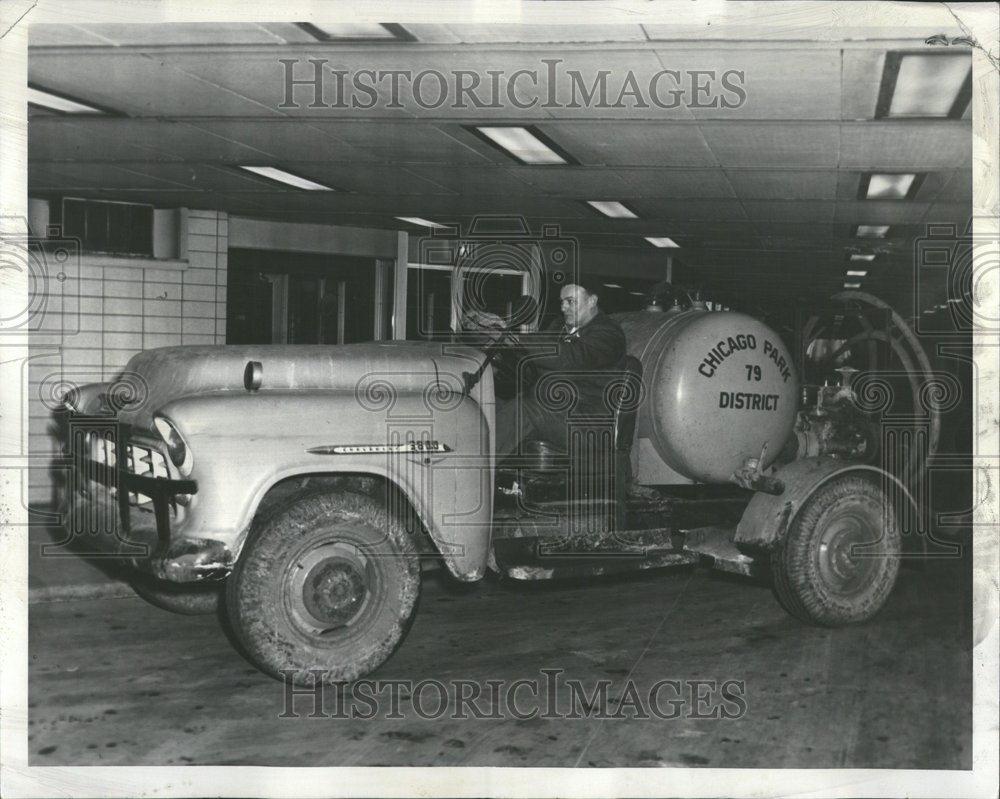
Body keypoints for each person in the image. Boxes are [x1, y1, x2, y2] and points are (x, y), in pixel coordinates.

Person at [492, 279, 627, 457]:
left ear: (592, 301)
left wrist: (515, 340)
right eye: (562, 302)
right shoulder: (559, 327)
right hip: (555, 412)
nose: (563, 307)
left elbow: (571, 356)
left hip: (585, 424)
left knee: (525, 408)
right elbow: (534, 359)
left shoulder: (608, 334)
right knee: (491, 403)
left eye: (570, 301)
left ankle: (471, 471)